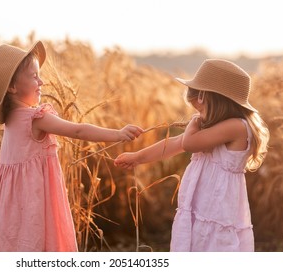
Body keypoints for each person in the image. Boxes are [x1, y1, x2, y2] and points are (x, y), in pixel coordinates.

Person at [0, 41, 143, 252]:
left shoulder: (11, 119)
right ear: (12, 87)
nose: (42, 81)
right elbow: (78, 131)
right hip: (33, 201)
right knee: (36, 243)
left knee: (14, 244)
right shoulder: (35, 118)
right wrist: (117, 134)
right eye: (34, 76)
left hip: (10, 205)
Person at [114, 59, 269, 252]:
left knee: (214, 246)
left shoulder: (237, 126)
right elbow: (174, 144)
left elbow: (187, 143)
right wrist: (137, 157)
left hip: (217, 209)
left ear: (205, 96)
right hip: (202, 206)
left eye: (200, 108)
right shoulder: (217, 127)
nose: (198, 114)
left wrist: (193, 123)